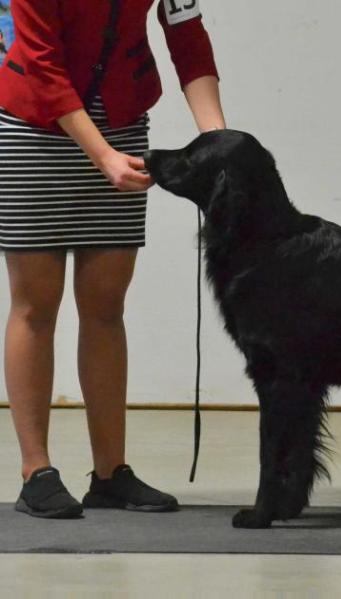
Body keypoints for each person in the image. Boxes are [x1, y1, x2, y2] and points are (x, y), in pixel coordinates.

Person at [0, 0, 225, 518]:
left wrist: (218, 141)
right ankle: (36, 472)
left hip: (121, 125)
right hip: (35, 127)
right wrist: (101, 156)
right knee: (36, 305)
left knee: (106, 306)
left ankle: (110, 473)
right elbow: (41, 59)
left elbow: (187, 35)